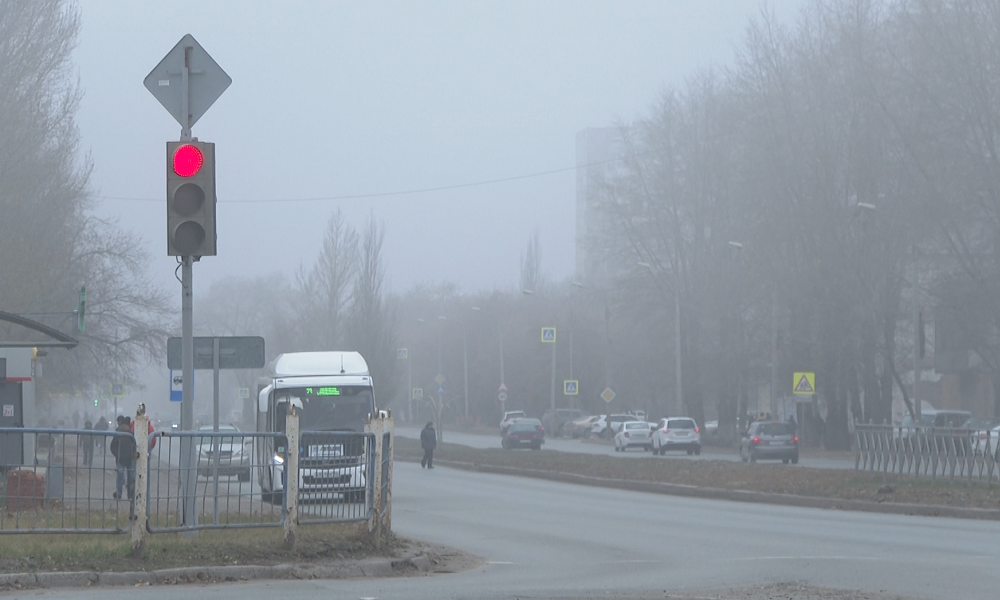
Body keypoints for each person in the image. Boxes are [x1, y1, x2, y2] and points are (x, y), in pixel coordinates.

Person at [109, 416, 136, 500]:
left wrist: (117, 454)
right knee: (130, 477)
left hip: (120, 457)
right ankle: (130, 495)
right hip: (129, 458)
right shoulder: (132, 433)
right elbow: (135, 445)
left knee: (120, 476)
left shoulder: (119, 431)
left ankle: (119, 493)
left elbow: (113, 445)